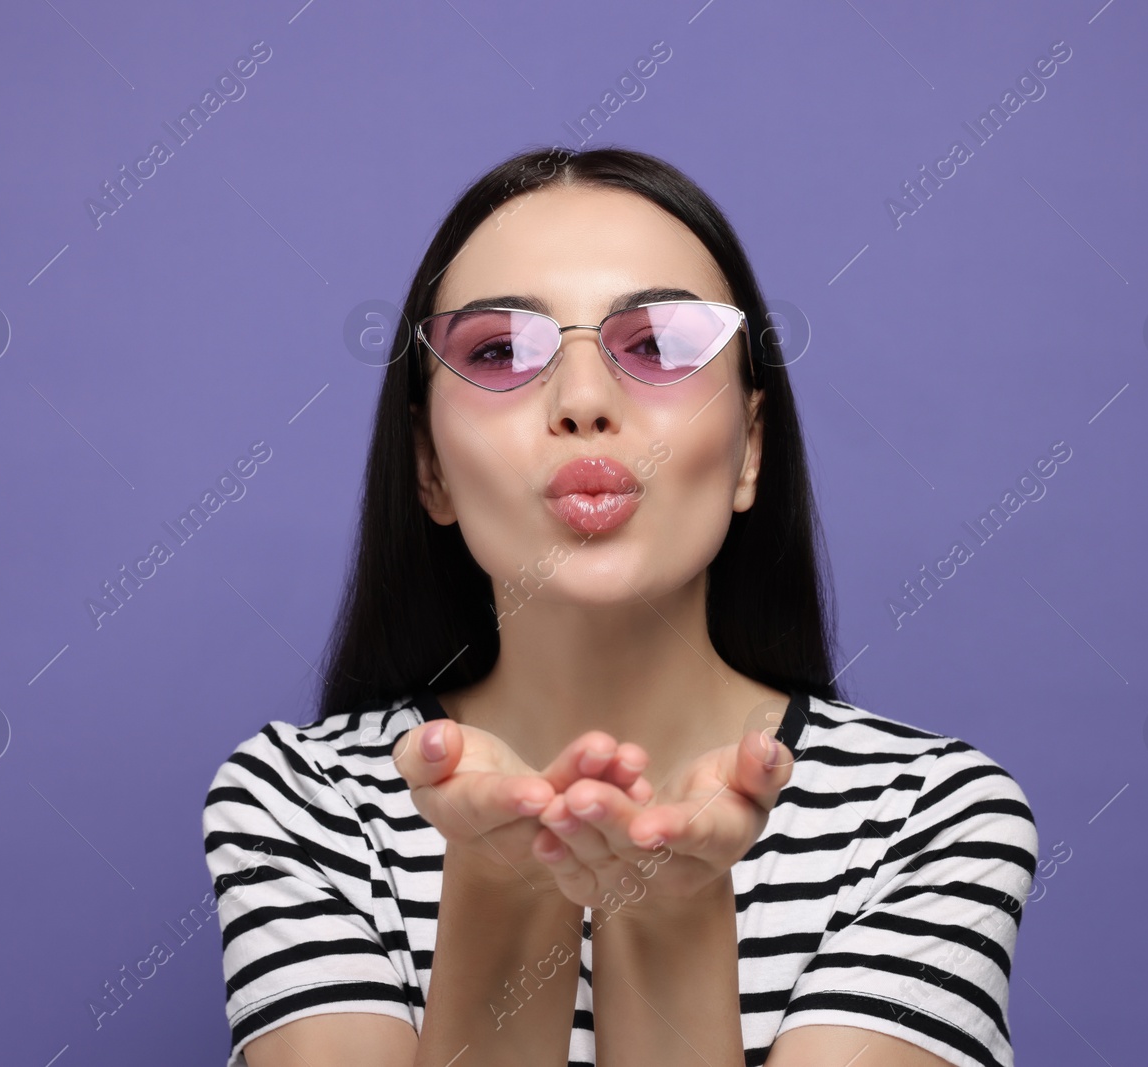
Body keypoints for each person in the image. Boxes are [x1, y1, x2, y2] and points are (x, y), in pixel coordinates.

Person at [201, 145, 1039, 1067]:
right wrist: (501, 891)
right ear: (429, 466)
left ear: (750, 448)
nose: (584, 401)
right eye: (500, 350)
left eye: (661, 344)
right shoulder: (305, 805)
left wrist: (674, 918)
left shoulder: (928, 819)